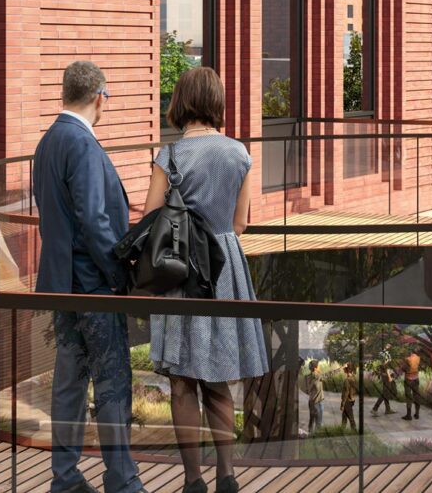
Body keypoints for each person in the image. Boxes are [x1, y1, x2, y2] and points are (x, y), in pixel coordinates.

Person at [145, 66, 268, 493]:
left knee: (182, 382)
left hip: (182, 271)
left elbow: (150, 218)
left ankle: (192, 479)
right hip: (225, 269)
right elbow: (240, 225)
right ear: (216, 102)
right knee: (218, 378)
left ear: (181, 102)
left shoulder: (171, 155)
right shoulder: (239, 153)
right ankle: (227, 475)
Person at [34, 61, 144, 493]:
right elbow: (95, 221)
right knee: (113, 382)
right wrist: (119, 276)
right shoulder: (81, 144)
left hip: (61, 285)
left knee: (69, 385)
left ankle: (65, 477)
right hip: (94, 285)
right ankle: (122, 480)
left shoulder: (47, 142)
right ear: (100, 96)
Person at [302, 360, 325, 432]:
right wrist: (341, 368)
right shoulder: (318, 376)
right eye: (318, 366)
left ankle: (310, 434)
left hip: (311, 401)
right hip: (317, 402)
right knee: (319, 422)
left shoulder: (307, 377)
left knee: (311, 420)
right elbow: (330, 374)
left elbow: (305, 390)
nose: (320, 367)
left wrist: (312, 393)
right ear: (315, 368)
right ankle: (316, 438)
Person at [401, 351, 422, 421]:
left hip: (408, 379)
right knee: (416, 396)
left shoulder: (407, 359)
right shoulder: (418, 358)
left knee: (409, 397)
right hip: (416, 379)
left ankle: (409, 415)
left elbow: (403, 369)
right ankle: (417, 414)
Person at [339, 362, 359, 432]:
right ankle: (341, 430)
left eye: (344, 369)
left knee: (351, 417)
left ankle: (354, 431)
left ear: (346, 370)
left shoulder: (347, 380)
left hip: (347, 401)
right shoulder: (354, 378)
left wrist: (342, 404)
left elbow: (346, 393)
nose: (343, 370)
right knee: (344, 417)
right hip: (352, 400)